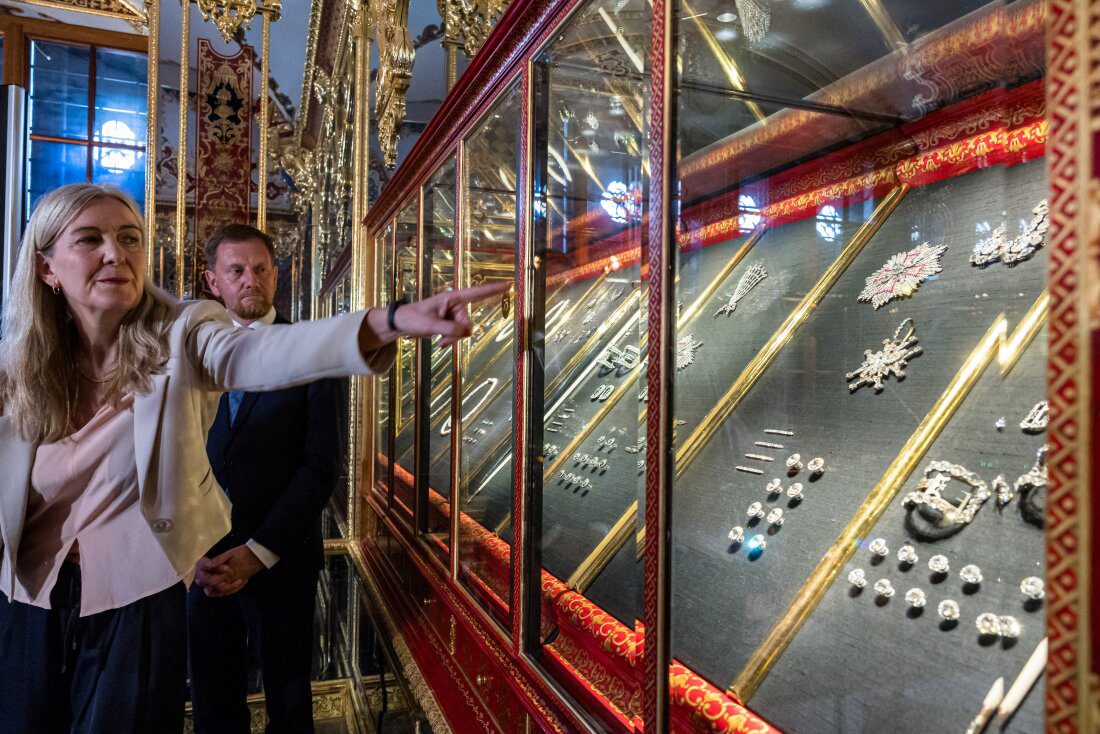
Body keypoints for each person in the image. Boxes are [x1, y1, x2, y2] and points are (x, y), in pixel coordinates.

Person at [0, 183, 504, 733]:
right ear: (47, 267)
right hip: (29, 592)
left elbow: (260, 355)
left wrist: (391, 321)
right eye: (90, 240)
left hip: (136, 594)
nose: (115, 254)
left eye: (130, 239)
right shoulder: (17, 364)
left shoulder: (184, 332)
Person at [187, 223, 345, 733]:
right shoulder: (189, 356)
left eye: (260, 269)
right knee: (214, 697)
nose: (250, 280)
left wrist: (257, 553)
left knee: (289, 699)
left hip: (281, 562)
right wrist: (187, 548)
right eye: (236, 271)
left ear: (276, 276)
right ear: (214, 282)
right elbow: (173, 457)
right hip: (203, 561)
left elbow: (321, 467)